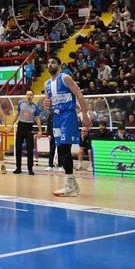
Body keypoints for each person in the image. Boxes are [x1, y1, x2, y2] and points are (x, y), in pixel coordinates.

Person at [44, 56, 90, 197]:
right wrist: (47, 104)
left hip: (68, 116)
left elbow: (80, 96)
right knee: (61, 150)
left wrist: (85, 115)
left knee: (64, 149)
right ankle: (72, 184)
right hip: (56, 118)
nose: (50, 64)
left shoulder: (65, 78)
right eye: (49, 63)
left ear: (59, 65)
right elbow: (49, 102)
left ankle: (69, 185)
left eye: (53, 62)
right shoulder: (46, 84)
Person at [13, 90, 40, 174]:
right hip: (21, 126)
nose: (29, 96)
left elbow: (37, 118)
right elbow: (17, 114)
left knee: (30, 148)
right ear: (25, 96)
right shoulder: (21, 104)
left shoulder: (35, 106)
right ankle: (18, 168)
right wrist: (11, 124)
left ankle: (30, 169)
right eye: (28, 94)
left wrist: (40, 130)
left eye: (31, 95)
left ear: (33, 96)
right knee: (18, 147)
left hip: (29, 127)